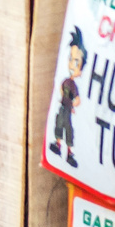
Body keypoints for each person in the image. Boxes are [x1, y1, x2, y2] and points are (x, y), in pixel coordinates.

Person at [47, 27, 85, 167]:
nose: (71, 64)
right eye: (71, 59)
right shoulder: (66, 81)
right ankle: (58, 145)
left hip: (67, 110)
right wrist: (62, 98)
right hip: (63, 108)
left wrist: (71, 105)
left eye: (76, 62)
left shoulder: (74, 86)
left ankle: (70, 153)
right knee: (59, 124)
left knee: (68, 130)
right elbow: (61, 89)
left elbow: (78, 100)